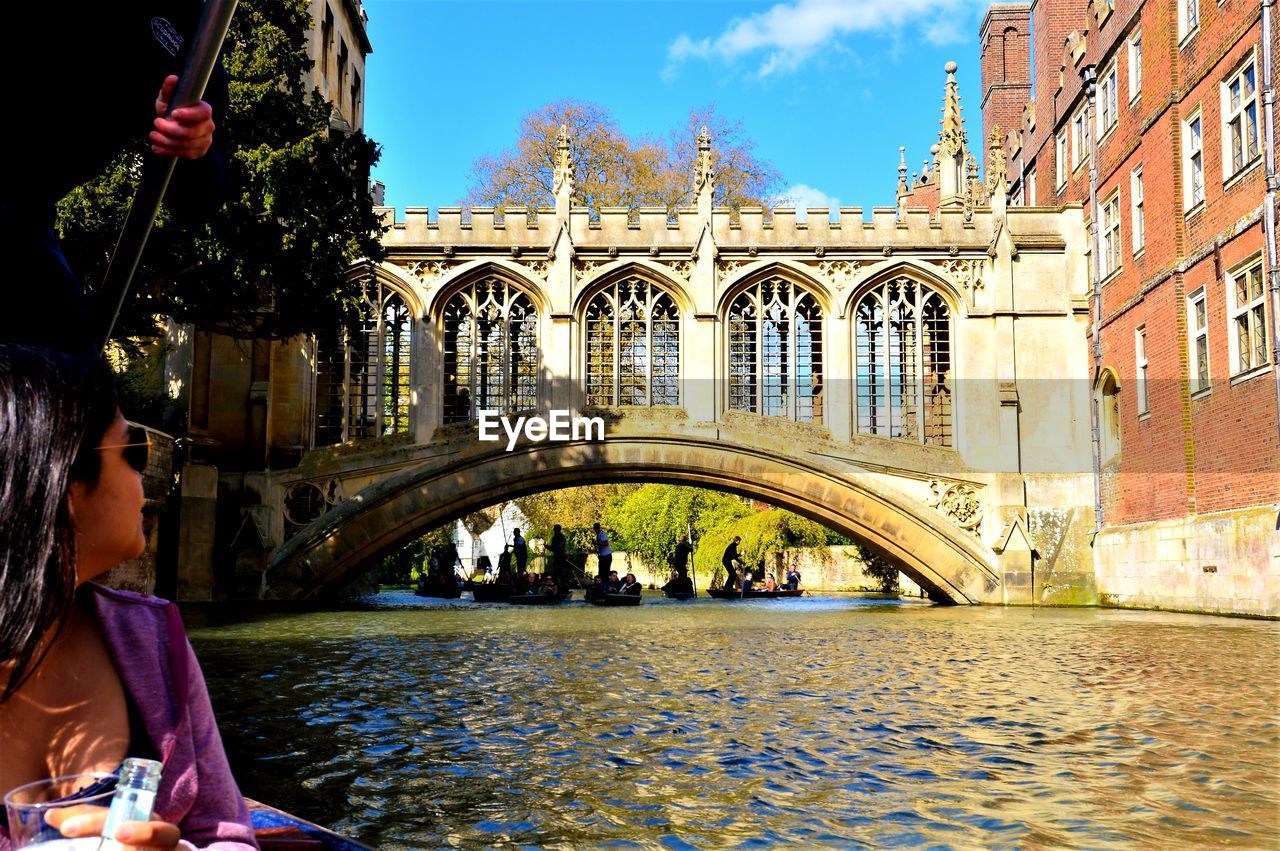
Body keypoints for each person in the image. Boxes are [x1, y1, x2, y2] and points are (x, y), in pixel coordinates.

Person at [0, 345, 256, 850]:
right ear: (61, 478)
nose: (148, 474)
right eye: (132, 450)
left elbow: (226, 837)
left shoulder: (156, 636)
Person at [4, 7, 231, 354]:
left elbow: (198, 200)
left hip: (23, 209)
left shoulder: (200, 35)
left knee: (77, 379)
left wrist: (194, 145)